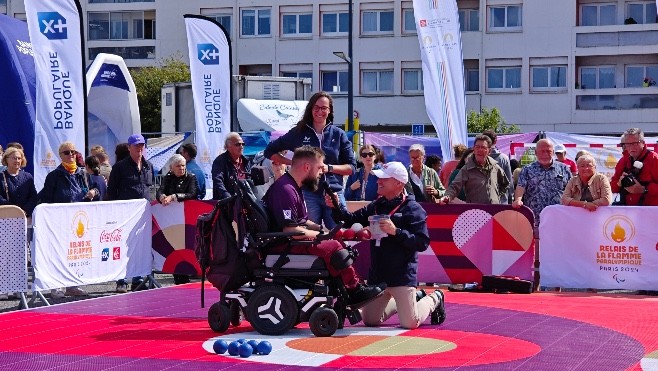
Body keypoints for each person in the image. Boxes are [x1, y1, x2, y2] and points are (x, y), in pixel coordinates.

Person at [327, 161, 446, 329]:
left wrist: (396, 231)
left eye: (384, 179)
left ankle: (435, 298)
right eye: (379, 178)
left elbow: (422, 242)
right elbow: (349, 220)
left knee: (410, 323)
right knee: (370, 321)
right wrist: (336, 206)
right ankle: (410, 301)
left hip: (402, 276)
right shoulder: (377, 205)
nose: (378, 182)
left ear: (398, 183)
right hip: (378, 276)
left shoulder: (413, 209)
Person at [262, 145, 382, 306]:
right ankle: (353, 290)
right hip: (283, 245)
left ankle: (349, 289)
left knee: (336, 243)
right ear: (306, 167)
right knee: (333, 247)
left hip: (289, 242)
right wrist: (322, 236)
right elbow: (291, 230)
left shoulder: (293, 186)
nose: (321, 172)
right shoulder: (286, 190)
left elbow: (302, 221)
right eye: (319, 167)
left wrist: (322, 229)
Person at [264, 91, 356, 228]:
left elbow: (352, 168)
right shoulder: (298, 132)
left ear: (329, 110)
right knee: (310, 237)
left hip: (333, 194)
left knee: (340, 233)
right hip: (308, 193)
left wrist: (329, 168)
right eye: (316, 107)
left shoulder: (339, 134)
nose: (320, 111)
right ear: (311, 109)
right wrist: (293, 163)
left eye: (324, 108)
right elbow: (269, 151)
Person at [38, 142, 101, 298]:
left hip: (79, 221)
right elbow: (46, 199)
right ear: (60, 156)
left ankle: (73, 285)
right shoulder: (54, 176)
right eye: (67, 152)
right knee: (58, 254)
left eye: (73, 152)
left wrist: (94, 191)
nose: (71, 154)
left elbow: (97, 190)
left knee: (75, 255)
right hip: (59, 222)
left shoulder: (83, 174)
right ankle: (56, 286)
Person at [106, 134, 155, 293]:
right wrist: (112, 213)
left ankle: (138, 279)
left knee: (140, 247)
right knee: (123, 247)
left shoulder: (148, 166)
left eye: (141, 145)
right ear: (129, 148)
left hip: (142, 215)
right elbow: (111, 191)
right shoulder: (119, 167)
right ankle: (121, 280)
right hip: (124, 214)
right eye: (136, 146)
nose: (139, 148)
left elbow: (149, 188)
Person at [156, 154, 198, 285]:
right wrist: (162, 196)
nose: (181, 168)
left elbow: (192, 194)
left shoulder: (191, 177)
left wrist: (174, 196)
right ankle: (178, 279)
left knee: (187, 245)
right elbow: (160, 191)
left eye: (183, 166)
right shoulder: (168, 177)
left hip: (187, 218)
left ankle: (188, 275)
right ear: (171, 168)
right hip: (172, 220)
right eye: (178, 166)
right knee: (174, 246)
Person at [512, 139, 572, 226]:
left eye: (548, 151)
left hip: (558, 217)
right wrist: (518, 199)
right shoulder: (527, 170)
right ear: (536, 153)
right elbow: (521, 186)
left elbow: (572, 189)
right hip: (534, 218)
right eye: (542, 151)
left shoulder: (564, 169)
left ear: (553, 152)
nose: (545, 154)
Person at [439, 135, 509, 204]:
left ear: (489, 151)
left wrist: (495, 197)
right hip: (475, 211)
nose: (480, 150)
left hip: (494, 210)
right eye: (477, 147)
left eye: (483, 147)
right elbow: (455, 186)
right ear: (474, 149)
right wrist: (447, 196)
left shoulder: (495, 167)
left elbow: (505, 184)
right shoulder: (467, 168)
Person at [611, 128, 658, 206]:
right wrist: (619, 183)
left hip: (651, 212)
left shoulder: (654, 159)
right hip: (628, 212)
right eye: (628, 144)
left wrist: (644, 189)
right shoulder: (623, 161)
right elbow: (612, 188)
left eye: (635, 143)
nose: (631, 147)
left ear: (643, 143)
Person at [211, 132, 251, 200]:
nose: (241, 146)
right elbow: (218, 182)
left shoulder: (246, 161)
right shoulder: (220, 161)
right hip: (227, 204)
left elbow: (250, 182)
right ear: (228, 147)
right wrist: (227, 197)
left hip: (245, 202)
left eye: (242, 144)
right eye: (238, 144)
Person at [0, 147, 38, 217]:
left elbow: (33, 197)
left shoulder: (28, 177)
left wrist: (24, 211)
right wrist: (14, 210)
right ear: (6, 159)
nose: (17, 160)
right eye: (14, 158)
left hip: (24, 217)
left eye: (19, 158)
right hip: (5, 216)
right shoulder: (1, 177)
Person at [482, 130, 513, 203]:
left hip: (482, 201)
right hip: (501, 201)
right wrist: (510, 198)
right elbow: (509, 181)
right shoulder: (504, 158)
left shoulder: (477, 157)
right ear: (495, 141)